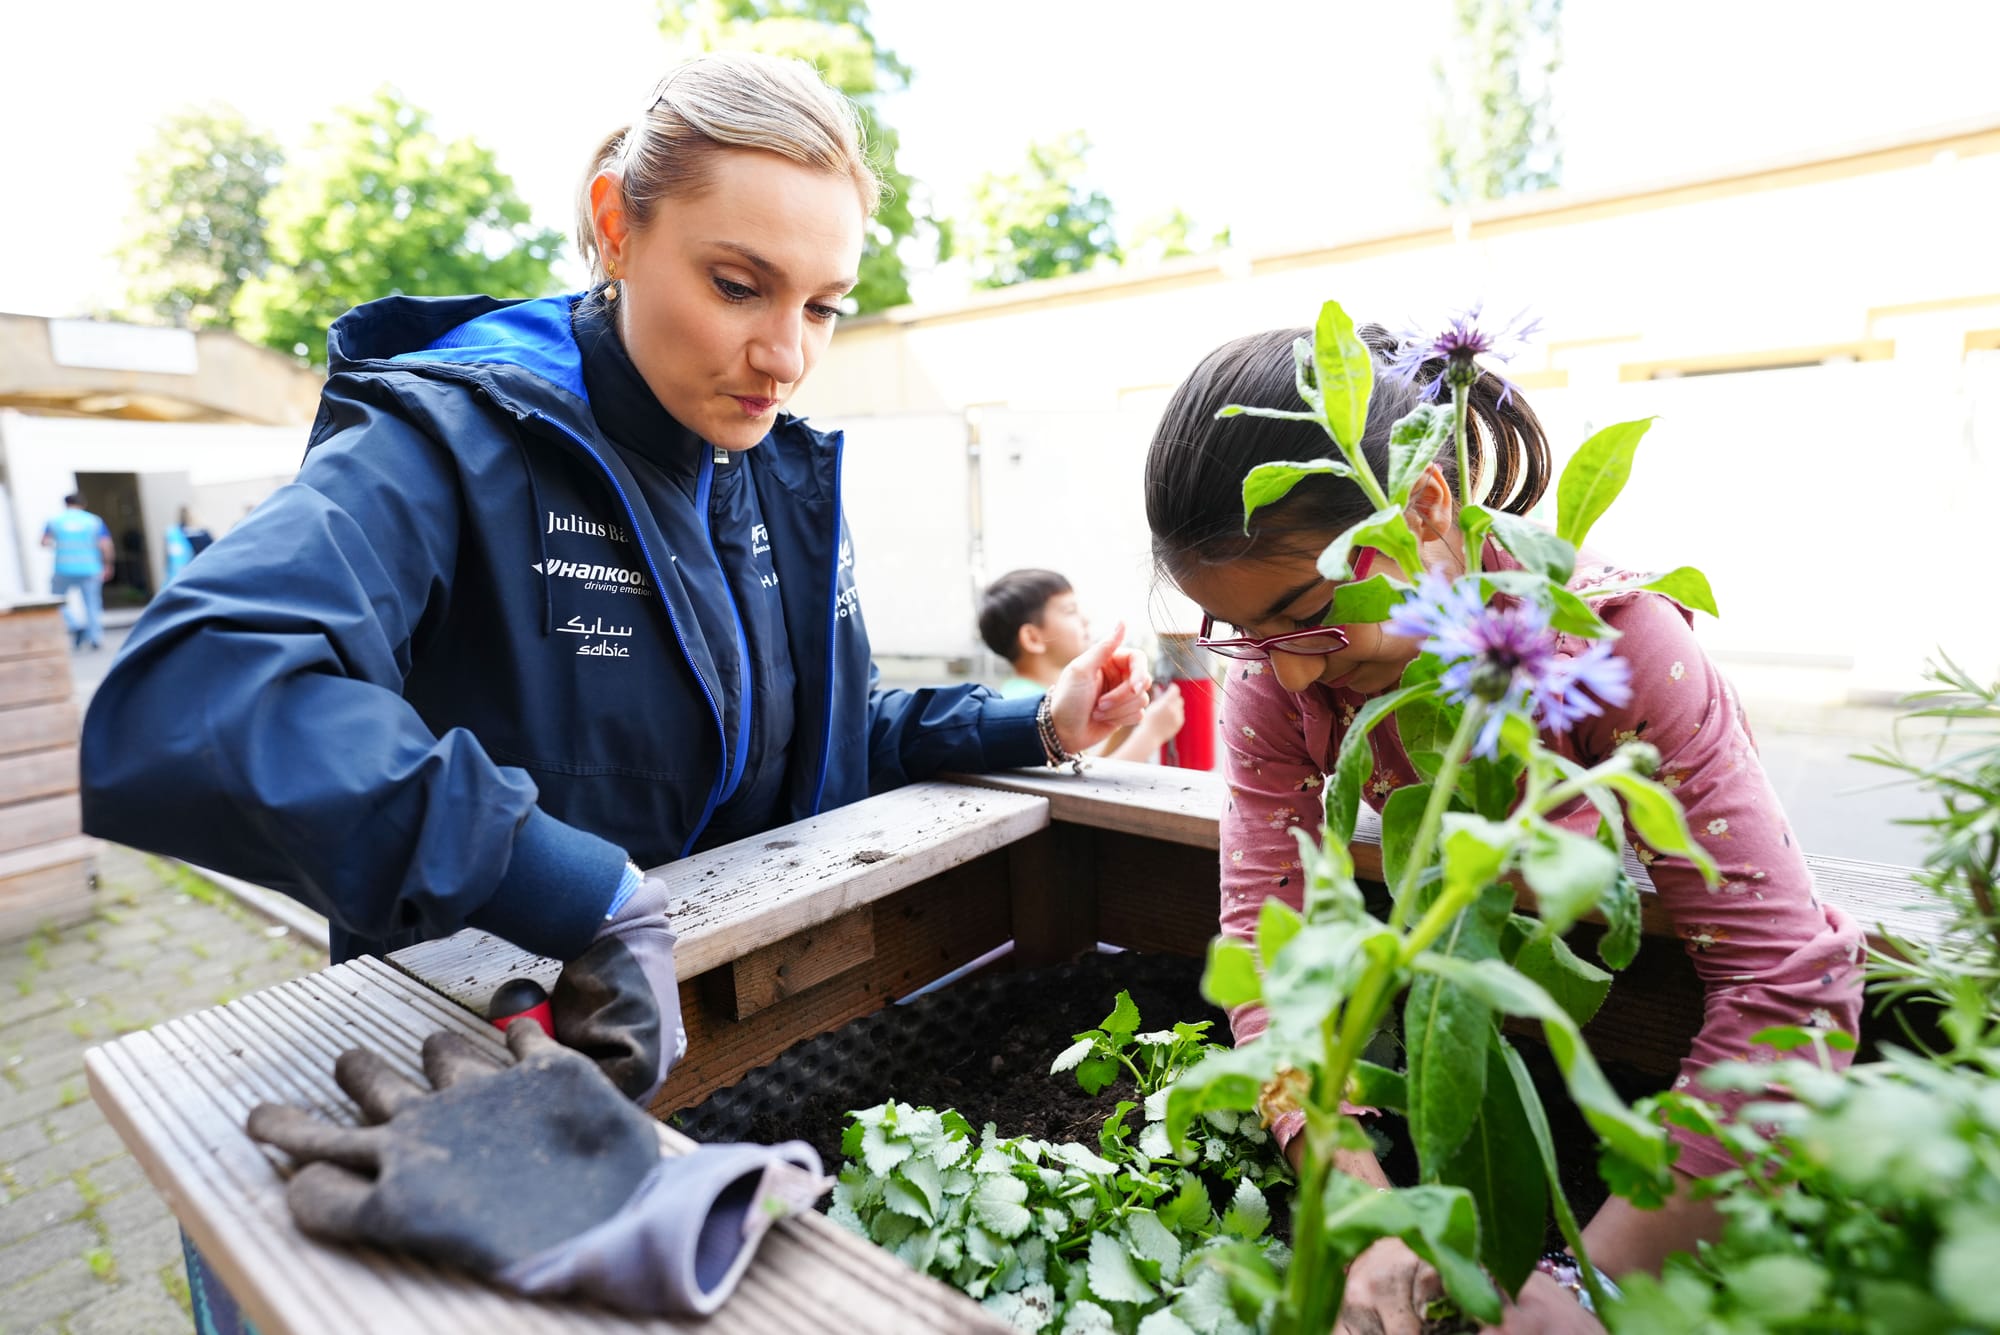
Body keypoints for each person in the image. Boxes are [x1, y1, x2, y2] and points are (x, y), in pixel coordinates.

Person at [79, 51, 1147, 1325]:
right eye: (739, 285)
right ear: (614, 225)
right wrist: (576, 888)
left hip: (724, 1067)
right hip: (477, 1075)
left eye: (823, 306)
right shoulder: (447, 440)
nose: (785, 354)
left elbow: (813, 745)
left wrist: (1033, 719)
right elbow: (196, 690)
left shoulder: (771, 468)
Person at [1142, 325, 1863, 1335]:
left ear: (1425, 508)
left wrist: (1591, 1285)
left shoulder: (1617, 644)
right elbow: (1270, 959)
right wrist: (1358, 1209)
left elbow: (1786, 983)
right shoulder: (1281, 676)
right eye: (1248, 638)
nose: (1287, 670)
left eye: (1307, 614)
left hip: (1633, 1119)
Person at [978, 567, 1185, 762]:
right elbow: (1079, 789)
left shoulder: (1040, 695)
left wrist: (1127, 724)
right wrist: (1151, 733)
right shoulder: (1025, 705)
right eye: (1070, 611)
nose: (1085, 620)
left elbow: (1091, 767)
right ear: (1032, 638)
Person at [41, 492, 113, 650]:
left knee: (57, 601)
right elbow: (105, 544)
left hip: (63, 567)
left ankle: (74, 625)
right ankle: (96, 638)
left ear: (65, 504)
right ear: (83, 504)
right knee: (92, 603)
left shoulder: (54, 521)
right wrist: (108, 564)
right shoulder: (93, 521)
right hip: (90, 567)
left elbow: (44, 542)